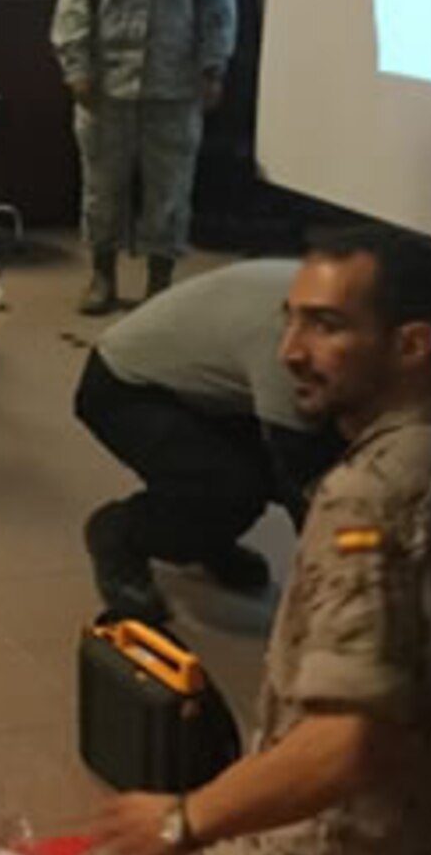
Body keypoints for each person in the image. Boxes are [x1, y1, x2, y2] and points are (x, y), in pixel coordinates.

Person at [61, 226, 431, 855]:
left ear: (413, 345)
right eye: (292, 320)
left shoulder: (367, 500)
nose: (289, 350)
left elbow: (350, 744)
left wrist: (183, 818)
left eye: (326, 326)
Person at [77, 258, 344, 624]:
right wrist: (343, 596)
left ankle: (207, 535)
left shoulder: (342, 303)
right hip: (125, 388)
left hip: (204, 391)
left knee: (262, 477)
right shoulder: (295, 345)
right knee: (234, 489)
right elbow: (305, 484)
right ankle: (121, 532)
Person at [52, 0, 237, 314]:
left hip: (174, 82)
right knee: (102, 186)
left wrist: (213, 64)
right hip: (105, 81)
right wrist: (76, 63)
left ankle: (160, 284)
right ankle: (102, 277)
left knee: (170, 188)